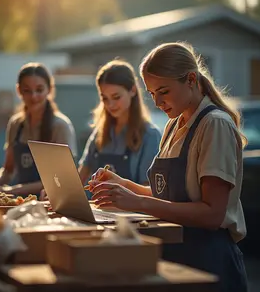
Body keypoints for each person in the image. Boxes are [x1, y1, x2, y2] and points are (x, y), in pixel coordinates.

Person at [88, 43, 248, 291]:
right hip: (176, 254)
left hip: (208, 260)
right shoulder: (174, 126)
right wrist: (123, 185)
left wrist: (138, 203)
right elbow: (170, 197)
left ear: (191, 79)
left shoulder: (214, 125)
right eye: (152, 94)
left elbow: (212, 214)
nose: (157, 102)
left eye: (163, 91)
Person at [0, 62, 77, 197]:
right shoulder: (16, 124)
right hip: (21, 202)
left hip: (50, 204)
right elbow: (8, 169)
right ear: (19, 91)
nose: (34, 96)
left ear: (49, 89)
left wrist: (11, 190)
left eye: (39, 89)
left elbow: (61, 178)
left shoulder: (60, 126)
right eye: (27, 90)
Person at [78, 59, 161, 190]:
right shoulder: (100, 133)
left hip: (128, 210)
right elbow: (79, 178)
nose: (110, 105)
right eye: (104, 98)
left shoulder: (150, 135)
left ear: (133, 90)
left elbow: (150, 190)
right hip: (96, 209)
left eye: (116, 97)